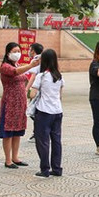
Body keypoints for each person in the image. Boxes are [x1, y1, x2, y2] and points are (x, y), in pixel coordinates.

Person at [0, 42, 42, 168]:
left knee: (17, 131)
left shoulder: (18, 65)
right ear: (8, 53)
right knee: (8, 132)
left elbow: (26, 76)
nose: (17, 53)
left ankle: (15, 157)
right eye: (14, 51)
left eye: (19, 51)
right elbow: (16, 72)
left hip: (20, 104)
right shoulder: (5, 67)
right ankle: (8, 160)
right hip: (9, 104)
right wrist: (31, 65)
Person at [31, 49, 64, 177]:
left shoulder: (41, 76)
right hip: (57, 111)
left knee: (43, 141)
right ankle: (56, 168)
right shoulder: (59, 76)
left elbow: (32, 94)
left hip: (44, 111)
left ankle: (44, 169)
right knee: (56, 140)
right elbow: (60, 95)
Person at [26, 42, 45, 141]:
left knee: (33, 112)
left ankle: (38, 132)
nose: (28, 51)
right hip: (44, 89)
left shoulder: (36, 60)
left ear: (33, 51)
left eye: (30, 49)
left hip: (37, 89)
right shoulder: (44, 58)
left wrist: (27, 88)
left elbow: (33, 76)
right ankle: (38, 132)